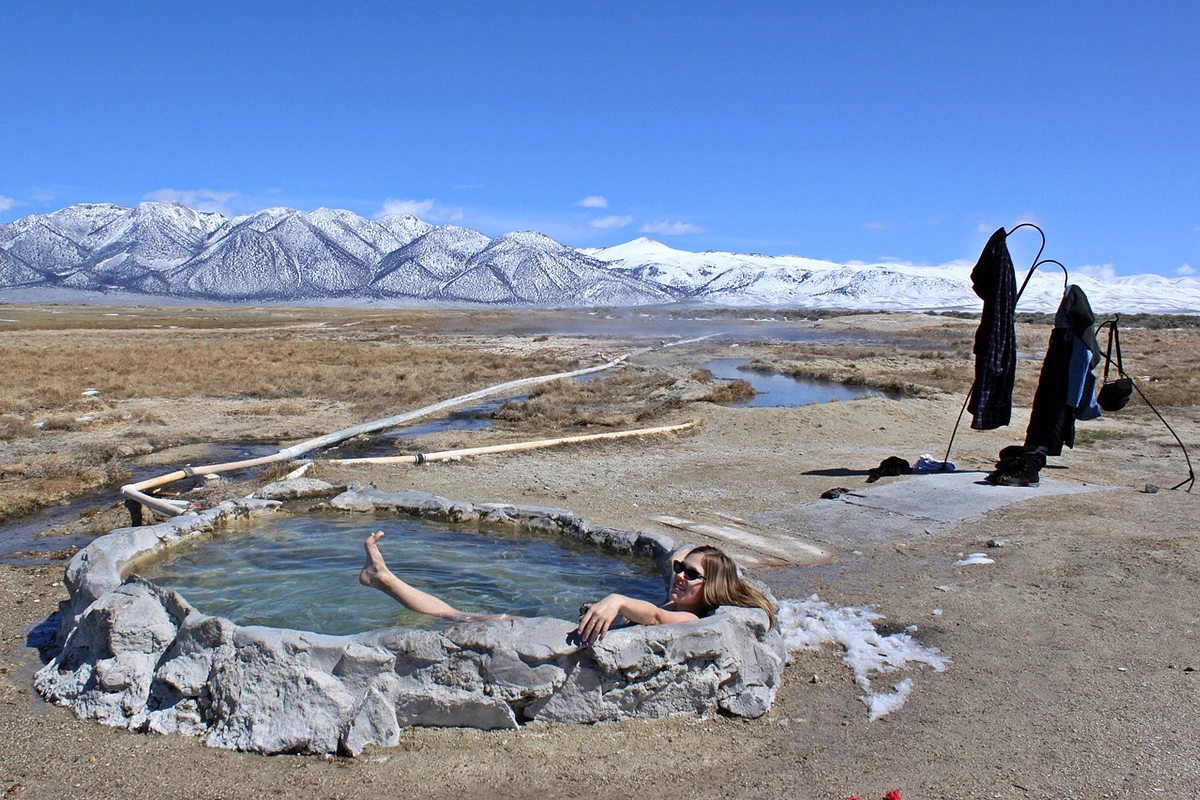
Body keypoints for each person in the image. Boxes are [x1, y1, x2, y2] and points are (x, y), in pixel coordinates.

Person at [359, 533, 775, 644]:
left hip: (549, 636)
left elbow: (655, 616)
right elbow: (681, 554)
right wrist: (689, 562)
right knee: (455, 614)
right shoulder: (685, 592)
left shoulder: (686, 615)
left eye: (690, 574)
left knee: (454, 616)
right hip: (559, 628)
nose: (679, 574)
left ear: (712, 589)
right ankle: (383, 579)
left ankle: (383, 580)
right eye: (679, 569)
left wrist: (618, 599)